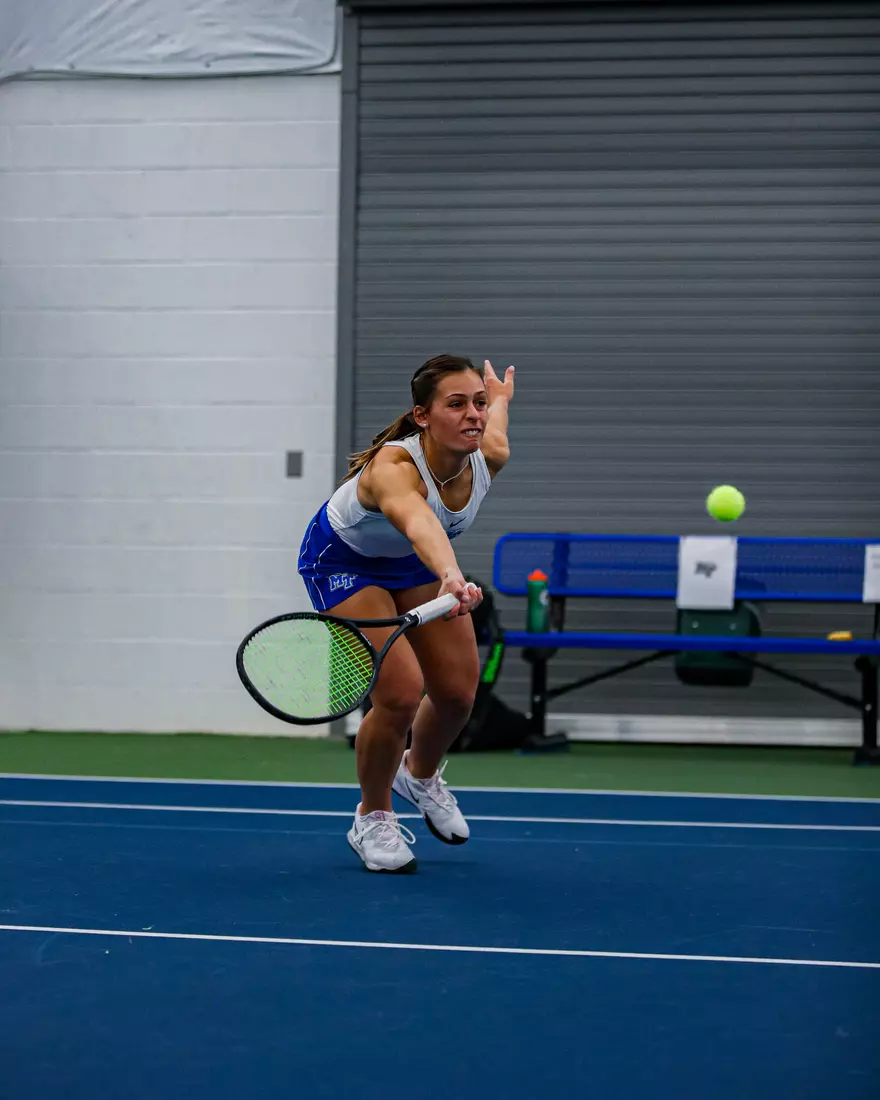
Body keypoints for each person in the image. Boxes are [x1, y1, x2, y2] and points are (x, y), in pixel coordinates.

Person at [298, 354, 514, 873]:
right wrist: (450, 574)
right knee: (398, 694)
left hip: (414, 566)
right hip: (346, 564)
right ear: (422, 416)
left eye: (478, 404)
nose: (474, 416)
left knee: (459, 694)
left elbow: (495, 420)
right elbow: (419, 524)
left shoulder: (491, 453)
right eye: (456, 404)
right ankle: (372, 816)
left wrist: (501, 398)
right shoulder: (391, 469)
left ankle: (418, 775)